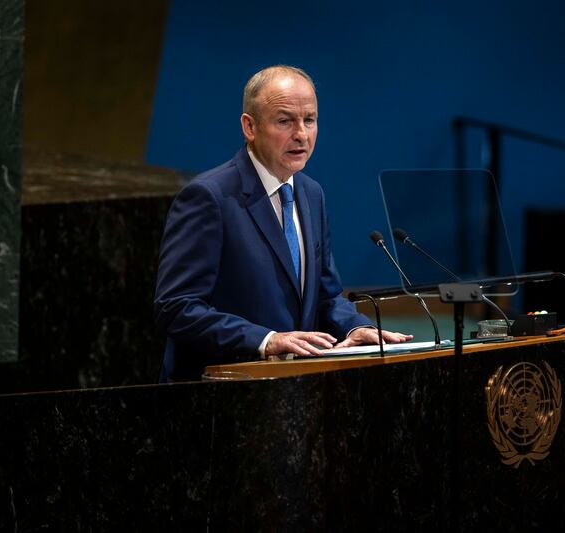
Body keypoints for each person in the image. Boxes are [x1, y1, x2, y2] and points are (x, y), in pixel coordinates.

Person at [154, 65, 411, 381]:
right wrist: (266, 340)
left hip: (293, 393)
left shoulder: (310, 193)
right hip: (220, 394)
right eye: (285, 121)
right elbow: (176, 308)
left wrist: (357, 327)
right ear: (250, 127)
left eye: (310, 120)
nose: (301, 134)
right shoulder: (209, 197)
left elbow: (326, 295)